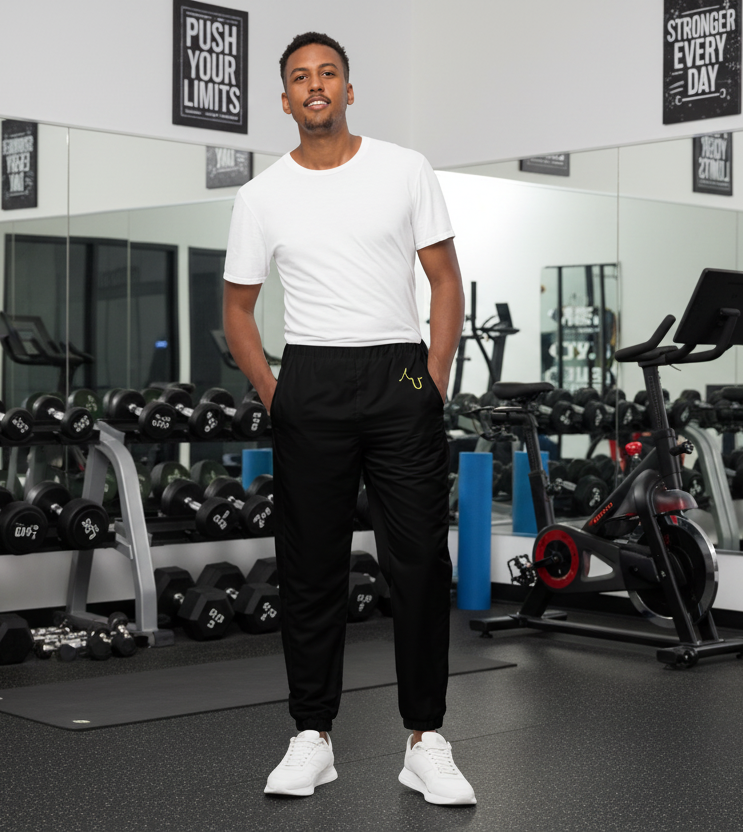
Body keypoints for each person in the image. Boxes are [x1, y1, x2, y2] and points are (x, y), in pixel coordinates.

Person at [222, 32, 475, 805]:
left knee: (420, 561)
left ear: (349, 89)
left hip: (400, 371)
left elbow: (444, 280)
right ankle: (312, 735)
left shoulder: (405, 169)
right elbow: (237, 310)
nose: (316, 85)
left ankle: (426, 739)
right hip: (312, 376)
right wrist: (276, 391)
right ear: (285, 99)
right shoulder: (261, 196)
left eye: (328, 72)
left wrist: (433, 378)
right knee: (310, 567)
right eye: (301, 76)